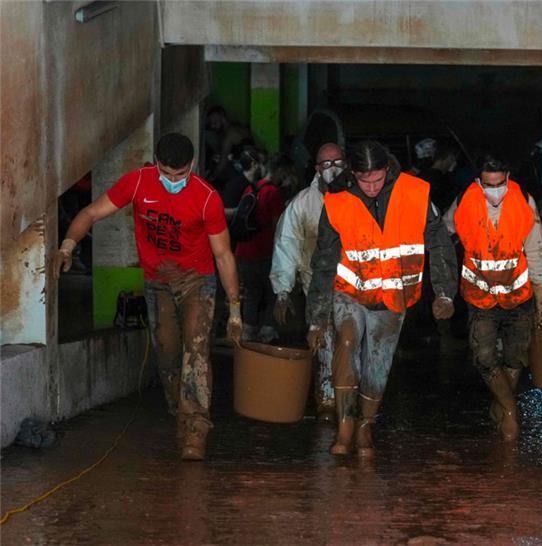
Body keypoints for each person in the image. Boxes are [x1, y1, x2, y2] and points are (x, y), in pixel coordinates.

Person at [52, 133, 242, 461]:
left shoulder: (206, 198)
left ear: (192, 166)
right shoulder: (138, 183)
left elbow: (224, 255)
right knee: (167, 355)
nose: (172, 181)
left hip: (198, 281)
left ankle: (196, 429)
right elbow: (91, 214)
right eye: (166, 174)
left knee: (194, 352)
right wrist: (67, 246)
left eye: (180, 175)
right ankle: (180, 415)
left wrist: (236, 308)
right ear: (156, 164)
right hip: (157, 283)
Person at [307, 140, 458, 458]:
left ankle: (365, 426)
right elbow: (323, 261)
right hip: (349, 291)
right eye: (364, 180)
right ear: (353, 173)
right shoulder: (336, 200)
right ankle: (345, 426)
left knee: (378, 366)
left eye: (376, 179)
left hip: (393, 296)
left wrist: (445, 292)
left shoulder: (416, 193)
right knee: (346, 346)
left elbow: (439, 242)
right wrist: (317, 317)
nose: (371, 186)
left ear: (387, 169)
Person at [444, 154, 542, 441]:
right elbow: (443, 233)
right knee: (485, 357)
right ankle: (511, 411)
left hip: (518, 294)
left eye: (499, 184)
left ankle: (500, 405)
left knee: (515, 359)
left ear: (508, 179)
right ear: (479, 182)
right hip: (479, 296)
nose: (494, 191)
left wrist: (541, 300)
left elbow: (536, 250)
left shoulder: (523, 202)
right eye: (488, 185)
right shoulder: (465, 202)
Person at [270, 143, 347, 421]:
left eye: (337, 162)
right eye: (326, 164)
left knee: (351, 342)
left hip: (355, 288)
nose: (333, 169)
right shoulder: (303, 203)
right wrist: (282, 291)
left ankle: (350, 399)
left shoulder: (360, 195)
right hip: (316, 286)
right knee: (323, 339)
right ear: (317, 168)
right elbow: (286, 246)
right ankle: (327, 399)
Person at [235, 155, 287, 343]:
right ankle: (267, 331)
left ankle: (248, 332)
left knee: (251, 294)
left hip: (244, 250)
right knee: (272, 292)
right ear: (280, 171)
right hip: (264, 252)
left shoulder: (250, 189)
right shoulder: (274, 193)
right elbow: (278, 226)